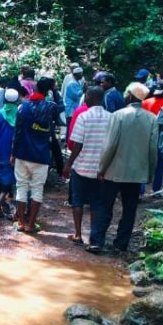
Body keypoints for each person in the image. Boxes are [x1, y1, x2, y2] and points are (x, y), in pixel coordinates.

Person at [89, 83, 158, 253]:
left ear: (130, 96)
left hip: (114, 169)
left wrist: (101, 168)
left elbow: (110, 145)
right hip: (136, 173)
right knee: (129, 209)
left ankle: (97, 241)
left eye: (127, 93)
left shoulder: (118, 115)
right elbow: (152, 149)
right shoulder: (152, 119)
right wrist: (150, 173)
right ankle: (121, 243)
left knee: (105, 205)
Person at [62, 87, 111, 245]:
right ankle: (93, 236)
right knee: (96, 203)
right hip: (101, 170)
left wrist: (68, 165)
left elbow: (77, 145)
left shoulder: (83, 117)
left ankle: (78, 234)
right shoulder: (111, 118)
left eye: (87, 96)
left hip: (81, 167)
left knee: (78, 201)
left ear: (90, 97)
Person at [10, 77, 59, 234]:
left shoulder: (23, 108)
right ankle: (31, 225)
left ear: (34, 90)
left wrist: (13, 153)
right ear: (48, 91)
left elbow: (17, 133)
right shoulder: (51, 107)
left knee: (21, 187)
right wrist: (54, 91)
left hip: (23, 153)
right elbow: (60, 110)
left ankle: (21, 223)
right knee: (37, 189)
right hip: (42, 156)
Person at [0, 88, 20, 218]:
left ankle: (1, 204)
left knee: (1, 177)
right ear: (17, 100)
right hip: (13, 152)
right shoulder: (20, 115)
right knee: (10, 178)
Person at [143, 79, 163, 194]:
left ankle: (140, 190)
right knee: (160, 164)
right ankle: (156, 189)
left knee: (143, 163)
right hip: (162, 136)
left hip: (146, 135)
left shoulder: (145, 102)